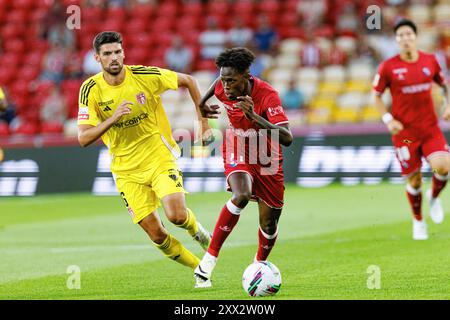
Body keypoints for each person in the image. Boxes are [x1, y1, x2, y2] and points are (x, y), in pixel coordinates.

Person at [77, 31, 212, 273]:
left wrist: (203, 123)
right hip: (125, 170)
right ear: (97, 58)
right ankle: (200, 269)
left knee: (177, 216)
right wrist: (113, 118)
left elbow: (190, 80)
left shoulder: (143, 75)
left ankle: (195, 229)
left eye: (118, 52)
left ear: (123, 52)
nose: (114, 58)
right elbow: (83, 138)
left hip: (157, 156)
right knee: (157, 235)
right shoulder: (90, 89)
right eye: (107, 54)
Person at [193, 47, 293, 288]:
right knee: (241, 195)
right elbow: (215, 84)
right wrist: (202, 106)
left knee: (269, 224)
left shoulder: (267, 95)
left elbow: (287, 137)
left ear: (246, 76)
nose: (225, 87)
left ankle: (258, 266)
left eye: (231, 80)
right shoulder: (222, 85)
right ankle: (208, 261)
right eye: (223, 79)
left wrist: (255, 117)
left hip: (267, 156)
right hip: (237, 144)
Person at [373, 19, 450, 240]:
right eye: (400, 36)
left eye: (408, 34)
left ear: (415, 37)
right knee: (414, 180)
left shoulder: (430, 61)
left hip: (429, 128)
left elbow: (444, 85)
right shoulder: (388, 66)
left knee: (443, 167)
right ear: (396, 40)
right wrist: (388, 119)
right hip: (404, 134)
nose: (405, 38)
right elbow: (376, 96)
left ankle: (434, 196)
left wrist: (447, 104)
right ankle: (418, 220)